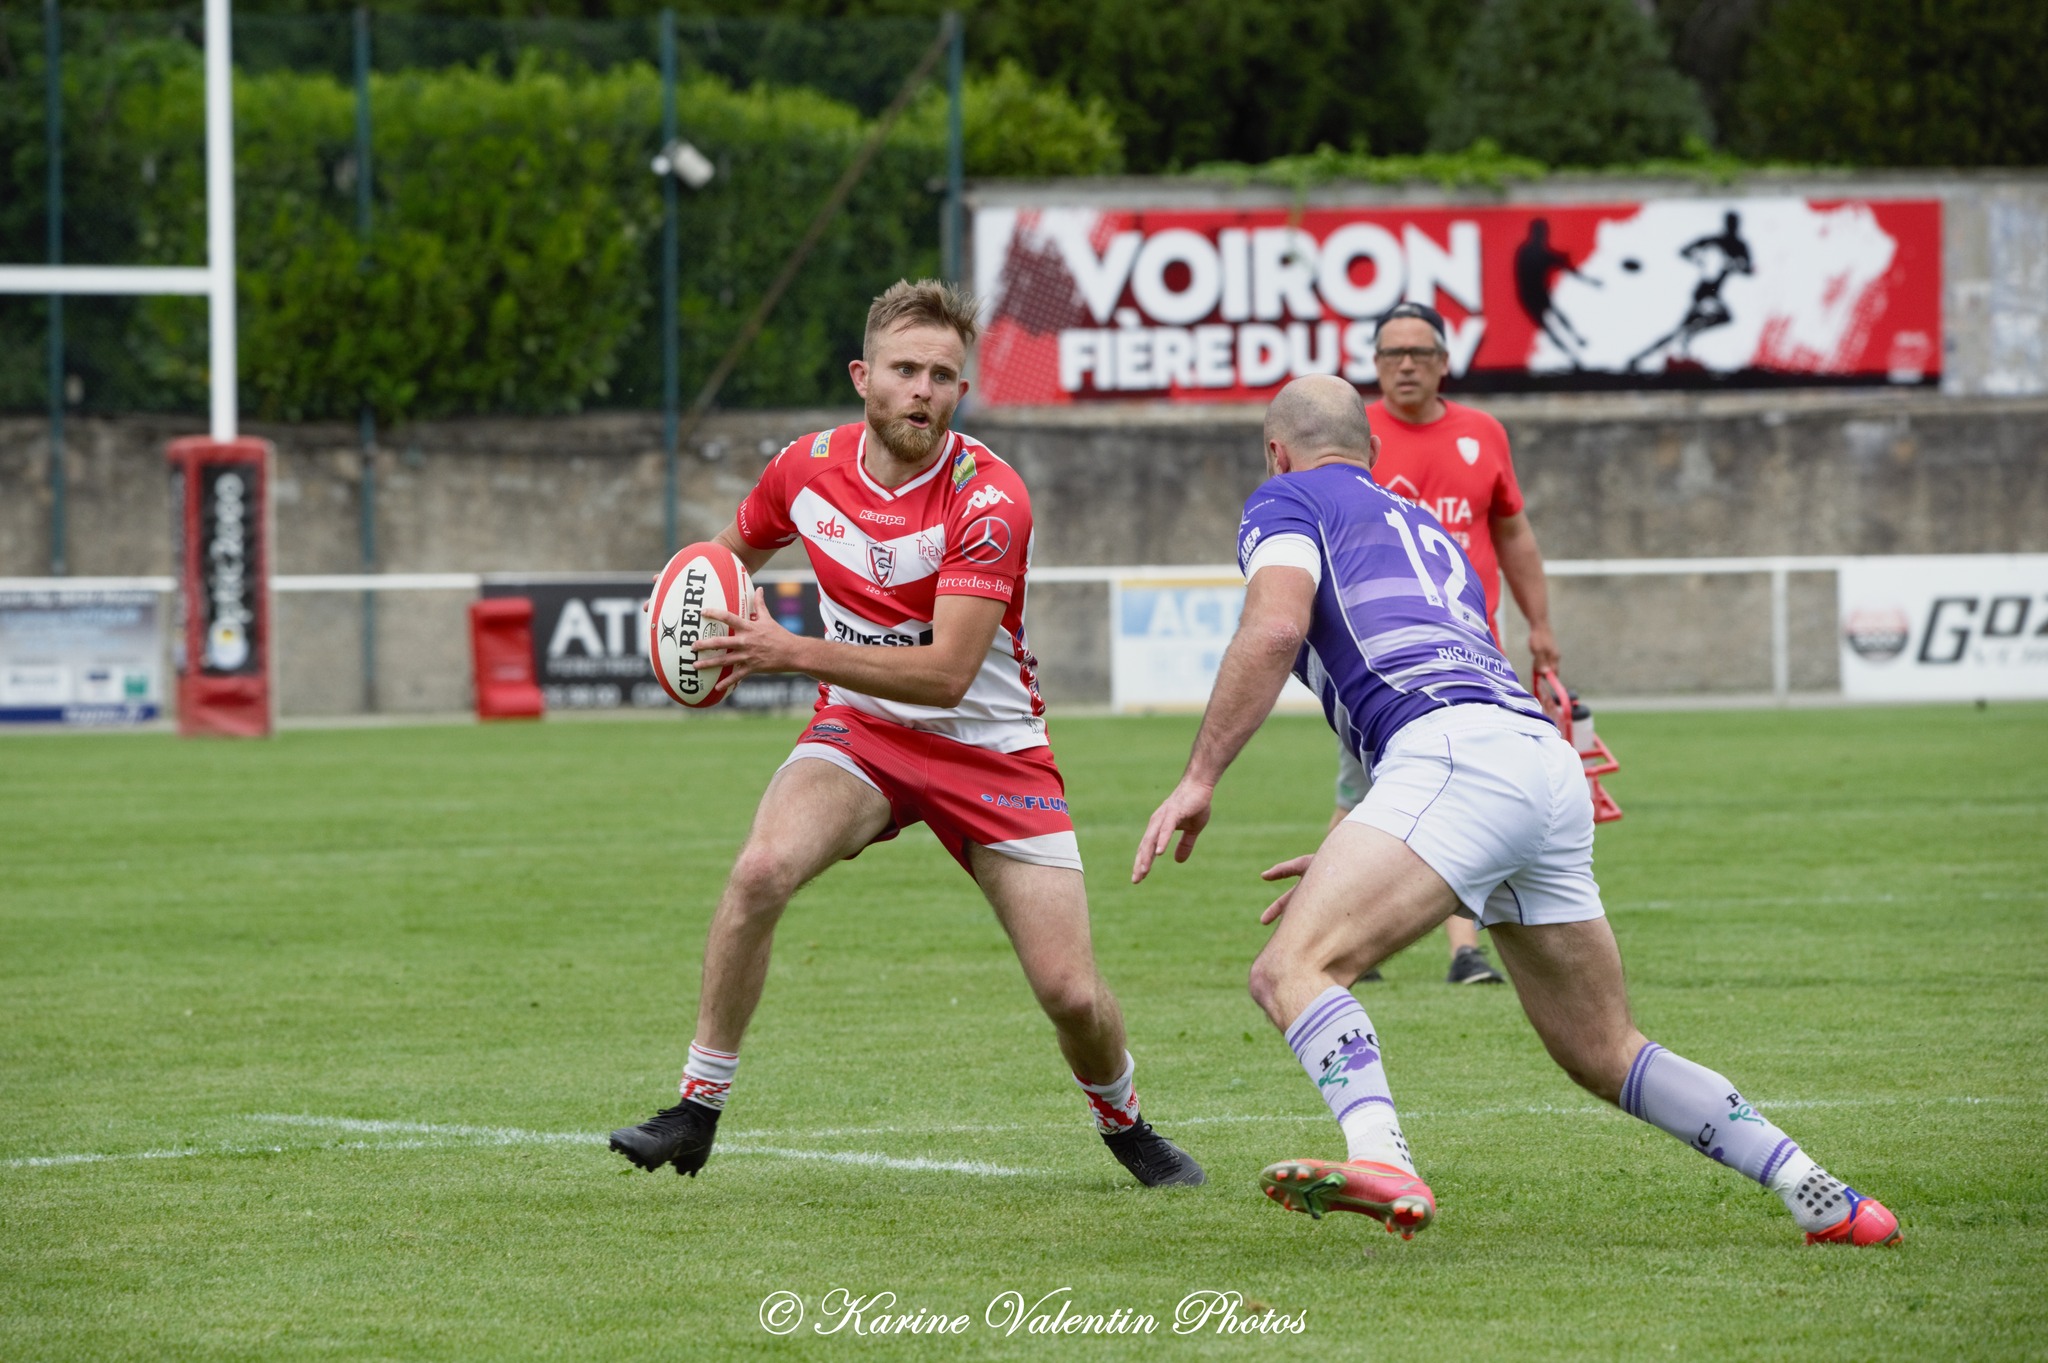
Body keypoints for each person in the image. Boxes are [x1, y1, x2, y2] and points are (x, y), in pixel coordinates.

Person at [1130, 374, 1899, 1247]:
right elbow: (1445, 680)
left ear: (1276, 451)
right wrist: (1379, 842)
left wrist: (1199, 776)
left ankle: (1381, 1152)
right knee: (1605, 1050)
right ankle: (1823, 1193)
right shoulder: (1431, 532)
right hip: (1535, 761)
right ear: (1373, 452)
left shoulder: (1286, 498)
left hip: (1454, 761)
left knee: (1289, 971)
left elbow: (1273, 631)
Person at [607, 280, 1203, 1189]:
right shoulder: (803, 470)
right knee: (760, 869)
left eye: (943, 376)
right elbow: (725, 557)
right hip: (863, 732)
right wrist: (700, 617)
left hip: (991, 748)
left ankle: (1124, 1122)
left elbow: (945, 674)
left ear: (960, 391)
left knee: (1070, 993)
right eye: (906, 370)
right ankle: (696, 1107)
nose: (924, 390)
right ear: (863, 377)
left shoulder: (990, 497)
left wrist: (789, 647)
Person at [1341, 300, 1561, 985]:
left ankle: (1461, 950)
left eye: (1419, 353)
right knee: (1362, 796)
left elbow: (1514, 532)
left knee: (1454, 792)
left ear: (1444, 363)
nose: (1405, 365)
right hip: (1385, 660)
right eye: (1391, 354)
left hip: (1477, 659)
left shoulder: (1484, 433)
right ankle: (1342, 932)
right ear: (1373, 367)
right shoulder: (1351, 436)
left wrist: (1540, 623)